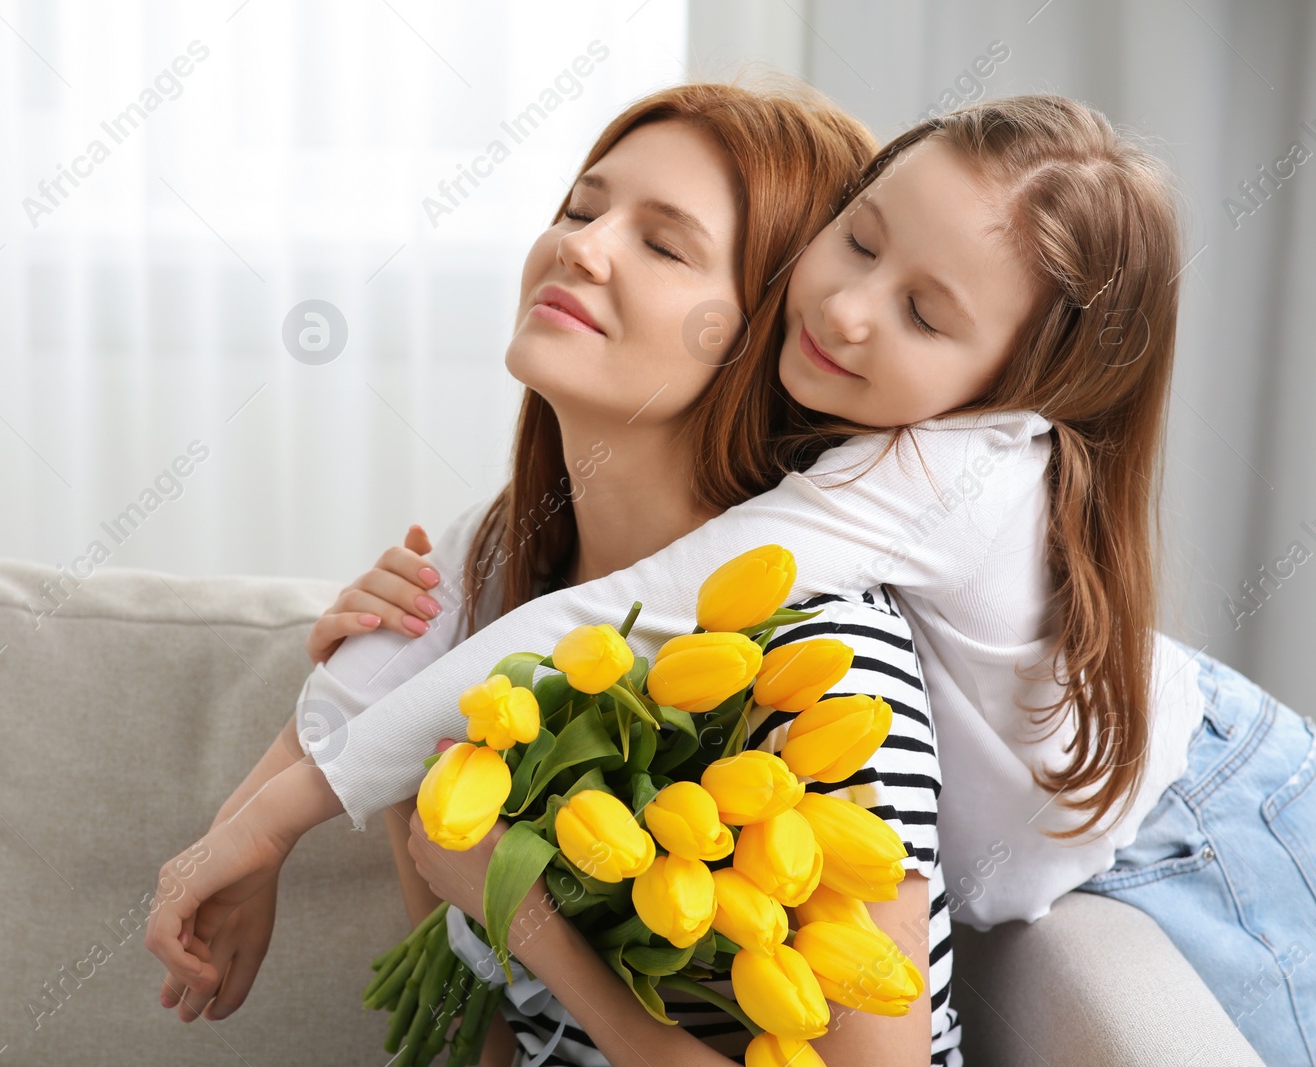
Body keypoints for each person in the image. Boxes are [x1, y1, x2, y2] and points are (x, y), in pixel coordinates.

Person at [152, 90, 1316, 1064]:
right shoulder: (508, 572)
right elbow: (468, 998)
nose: (580, 245)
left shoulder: (846, 624)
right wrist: (251, 833)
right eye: (580, 203)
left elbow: (625, 619)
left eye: (662, 243)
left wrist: (524, 910)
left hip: (1210, 802)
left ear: (751, 322)